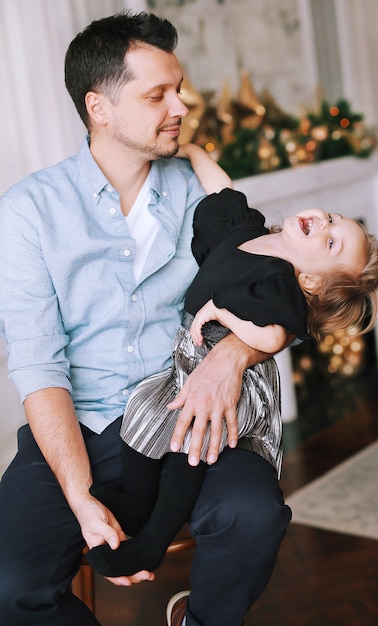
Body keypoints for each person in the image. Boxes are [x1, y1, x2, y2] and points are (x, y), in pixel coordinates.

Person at [0, 12, 295, 626]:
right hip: (83, 424)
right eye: (157, 94)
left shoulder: (199, 193)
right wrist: (81, 497)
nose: (181, 105)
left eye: (178, 88)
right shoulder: (29, 211)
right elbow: (38, 365)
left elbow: (275, 288)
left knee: (254, 514)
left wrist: (231, 357)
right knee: (9, 589)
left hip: (194, 412)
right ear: (99, 107)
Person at [85, 142, 378, 578]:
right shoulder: (244, 232)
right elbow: (220, 186)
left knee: (193, 439)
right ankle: (134, 503)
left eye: (330, 241)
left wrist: (223, 313)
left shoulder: (281, 283)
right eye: (334, 221)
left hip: (242, 382)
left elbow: (272, 334)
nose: (323, 223)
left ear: (309, 278)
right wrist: (192, 150)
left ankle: (152, 542)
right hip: (190, 363)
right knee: (144, 408)